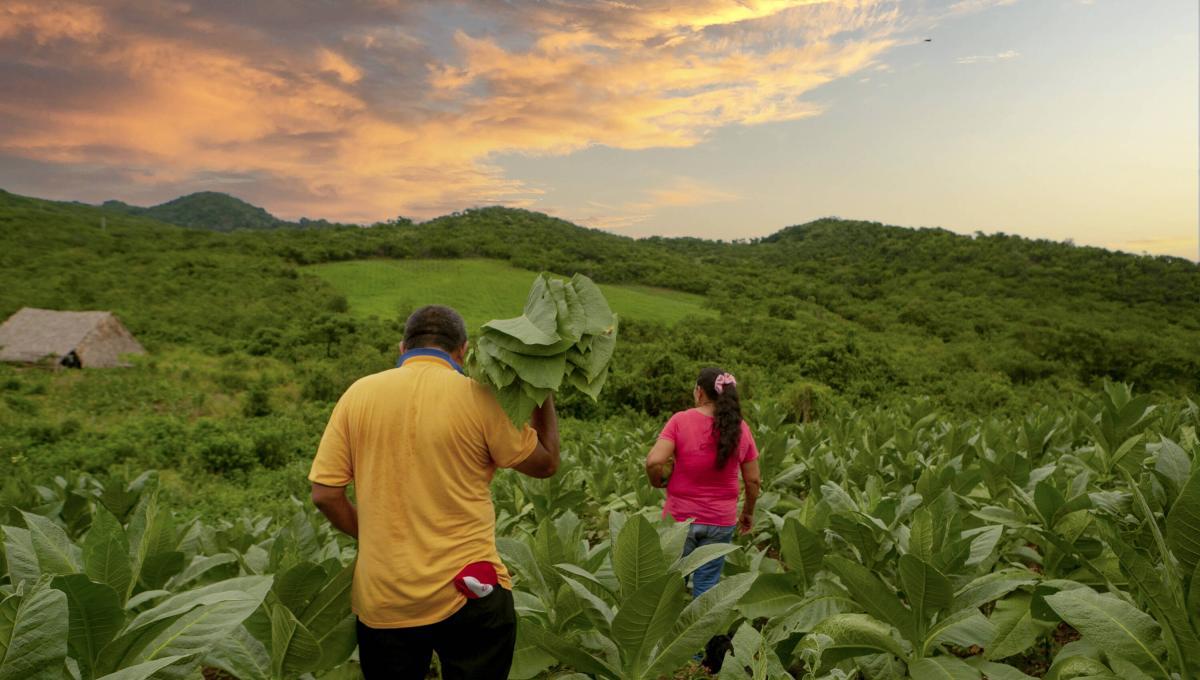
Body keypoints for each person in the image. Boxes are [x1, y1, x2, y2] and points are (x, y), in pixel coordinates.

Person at [309, 305, 560, 680]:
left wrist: (375, 535)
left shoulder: (358, 394)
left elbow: (325, 494)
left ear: (401, 346)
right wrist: (544, 390)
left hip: (385, 594)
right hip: (469, 588)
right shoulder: (480, 396)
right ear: (462, 350)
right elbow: (545, 464)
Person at [645, 367, 761, 599]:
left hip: (680, 520)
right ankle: (701, 634)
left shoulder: (680, 420)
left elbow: (654, 461)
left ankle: (666, 632)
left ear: (699, 392)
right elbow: (753, 480)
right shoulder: (741, 428)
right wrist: (747, 513)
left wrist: (658, 481)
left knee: (670, 585)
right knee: (707, 585)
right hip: (721, 520)